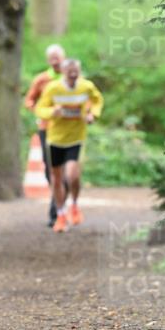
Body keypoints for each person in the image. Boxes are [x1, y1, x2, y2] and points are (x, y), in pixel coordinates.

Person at [34, 58, 103, 233]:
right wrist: (52, 112)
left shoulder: (86, 86)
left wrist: (92, 115)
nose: (73, 74)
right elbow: (40, 109)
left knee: (72, 175)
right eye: (70, 71)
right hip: (56, 139)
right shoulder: (53, 88)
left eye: (76, 71)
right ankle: (61, 215)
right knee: (56, 178)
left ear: (79, 71)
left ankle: (74, 204)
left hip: (76, 138)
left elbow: (97, 100)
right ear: (63, 72)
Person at [24, 44, 66, 226]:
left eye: (58, 57)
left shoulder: (72, 78)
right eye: (52, 58)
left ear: (64, 58)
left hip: (68, 130)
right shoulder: (42, 80)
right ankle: (59, 207)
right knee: (51, 170)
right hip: (47, 129)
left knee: (66, 171)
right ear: (49, 61)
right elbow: (29, 100)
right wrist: (41, 113)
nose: (56, 61)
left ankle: (57, 212)